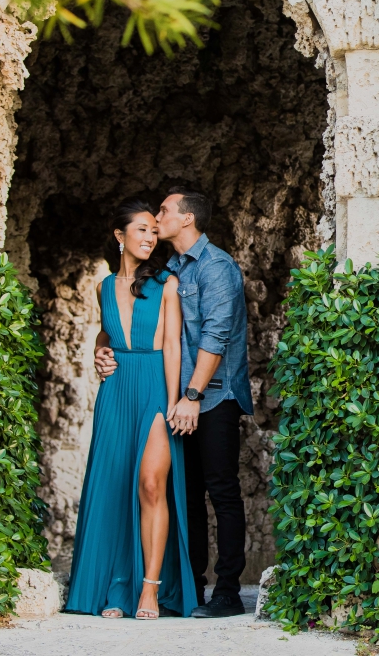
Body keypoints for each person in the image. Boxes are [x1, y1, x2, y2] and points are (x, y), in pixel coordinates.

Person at [97, 185, 250, 618]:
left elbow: (216, 337)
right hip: (178, 399)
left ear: (186, 219)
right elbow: (134, 324)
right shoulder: (171, 269)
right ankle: (191, 584)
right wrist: (103, 348)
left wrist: (192, 396)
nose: (156, 219)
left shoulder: (216, 266)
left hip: (213, 396)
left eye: (163, 212)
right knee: (187, 490)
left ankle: (227, 591)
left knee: (222, 491)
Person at [64, 200, 200, 619]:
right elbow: (105, 335)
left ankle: (150, 588)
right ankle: (118, 588)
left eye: (152, 231)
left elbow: (175, 343)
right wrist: (99, 354)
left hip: (154, 388)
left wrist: (178, 398)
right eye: (140, 229)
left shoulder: (167, 282)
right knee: (116, 488)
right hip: (116, 391)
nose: (148, 237)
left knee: (150, 485)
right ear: (119, 236)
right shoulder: (104, 286)